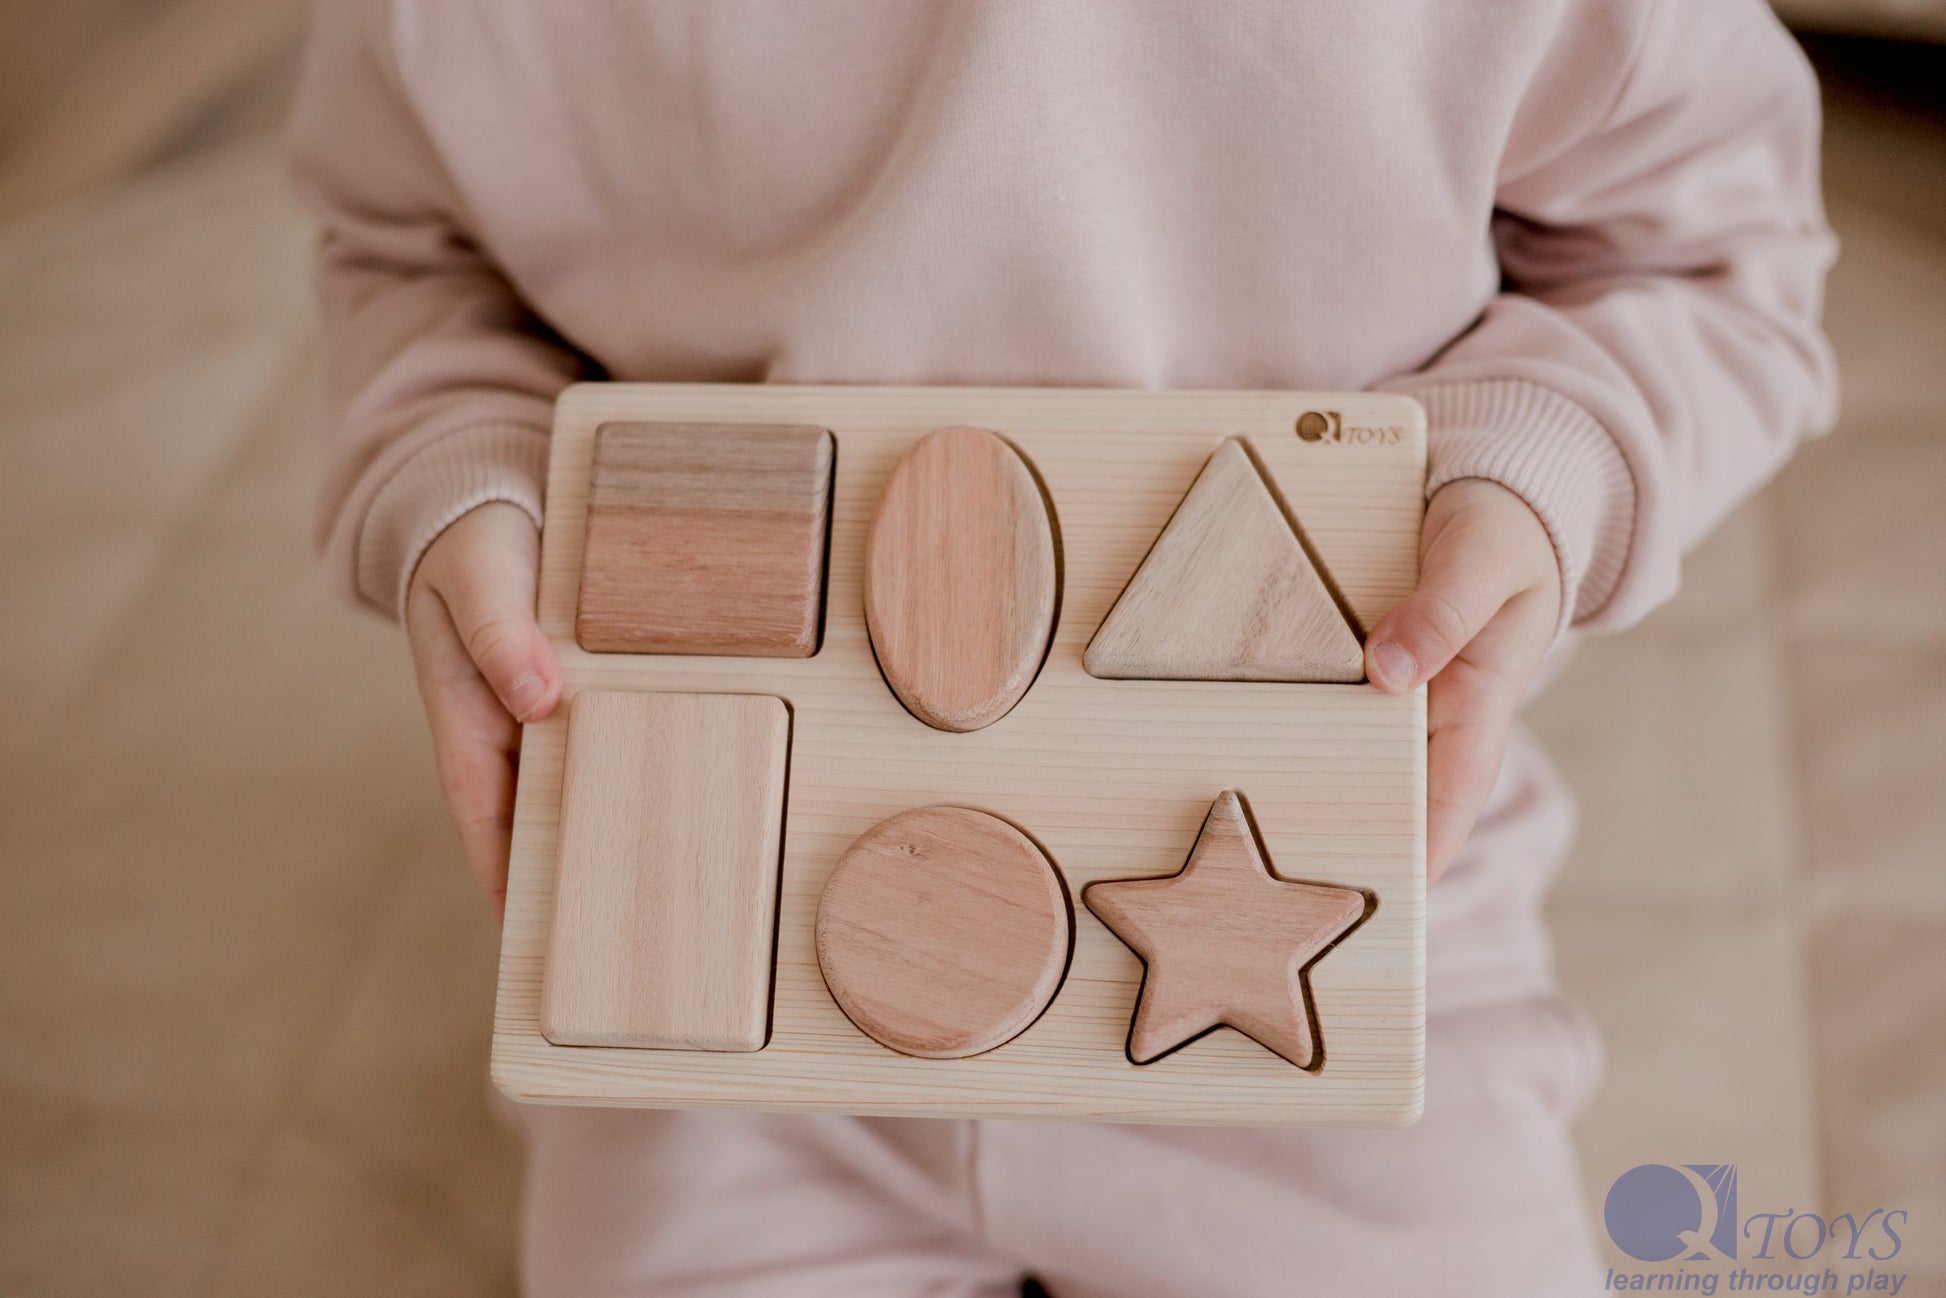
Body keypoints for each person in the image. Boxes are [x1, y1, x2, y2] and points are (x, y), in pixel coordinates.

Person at [290, 3, 1837, 1293]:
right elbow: (410, 260)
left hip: (1350, 922)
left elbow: (1718, 260)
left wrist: (1542, 461)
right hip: (713, 956)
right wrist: (460, 473)